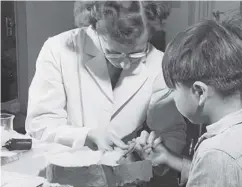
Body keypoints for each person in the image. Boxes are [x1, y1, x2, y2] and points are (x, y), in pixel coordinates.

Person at [25, 1, 186, 159]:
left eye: (136, 54)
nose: (125, 63)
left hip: (124, 175)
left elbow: (171, 132)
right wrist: (86, 135)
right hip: (62, 170)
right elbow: (40, 124)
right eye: (113, 53)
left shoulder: (158, 64)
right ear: (95, 27)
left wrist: (153, 149)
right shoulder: (58, 49)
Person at [135, 18, 242, 186]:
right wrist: (169, 158)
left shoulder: (218, 154)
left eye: (173, 90)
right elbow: (224, 175)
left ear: (199, 92)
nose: (173, 97)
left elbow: (219, 165)